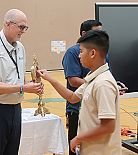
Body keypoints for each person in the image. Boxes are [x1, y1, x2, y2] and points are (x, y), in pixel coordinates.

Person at [38, 30, 121, 154]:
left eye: (81, 51)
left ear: (93, 53)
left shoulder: (103, 84)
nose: (79, 55)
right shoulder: (92, 78)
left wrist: (78, 138)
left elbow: (108, 126)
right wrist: (49, 79)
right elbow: (72, 97)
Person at [0, 9, 43, 155]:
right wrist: (23, 88)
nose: (23, 31)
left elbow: (19, 78)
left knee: (12, 151)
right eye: (21, 27)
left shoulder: (20, 48)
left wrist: (34, 80)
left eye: (25, 27)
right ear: (8, 24)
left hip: (15, 108)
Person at [62, 19, 103, 155]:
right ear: (84, 34)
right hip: (78, 110)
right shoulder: (72, 53)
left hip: (97, 108)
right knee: (77, 149)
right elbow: (73, 80)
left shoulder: (102, 52)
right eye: (96, 33)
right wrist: (96, 85)